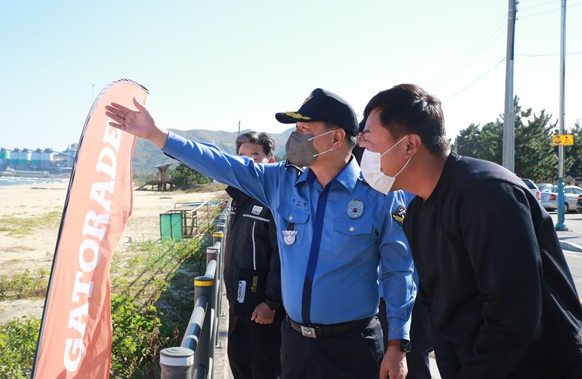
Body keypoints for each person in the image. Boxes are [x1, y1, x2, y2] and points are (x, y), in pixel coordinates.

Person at [106, 88, 416, 379]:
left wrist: (397, 345)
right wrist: (158, 135)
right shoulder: (281, 182)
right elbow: (222, 164)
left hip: (352, 346)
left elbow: (398, 272)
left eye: (304, 129)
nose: (296, 136)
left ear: (335, 137)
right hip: (294, 343)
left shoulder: (379, 194)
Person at [359, 83, 582, 378]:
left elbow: (514, 315)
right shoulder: (417, 213)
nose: (363, 151)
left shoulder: (487, 193)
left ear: (409, 145)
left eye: (369, 140)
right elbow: (438, 311)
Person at [355, 126, 434, 379]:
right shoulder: (356, 184)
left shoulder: (411, 188)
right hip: (370, 301)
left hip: (409, 296)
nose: (365, 147)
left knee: (411, 365)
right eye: (362, 141)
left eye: (369, 140)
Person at [224, 131, 284, 379]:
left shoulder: (274, 200)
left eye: (255, 157)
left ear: (270, 161)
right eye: (241, 157)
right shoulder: (237, 198)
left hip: (262, 306)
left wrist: (271, 302)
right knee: (239, 362)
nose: (247, 164)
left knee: (265, 369)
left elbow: (282, 255)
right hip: (237, 301)